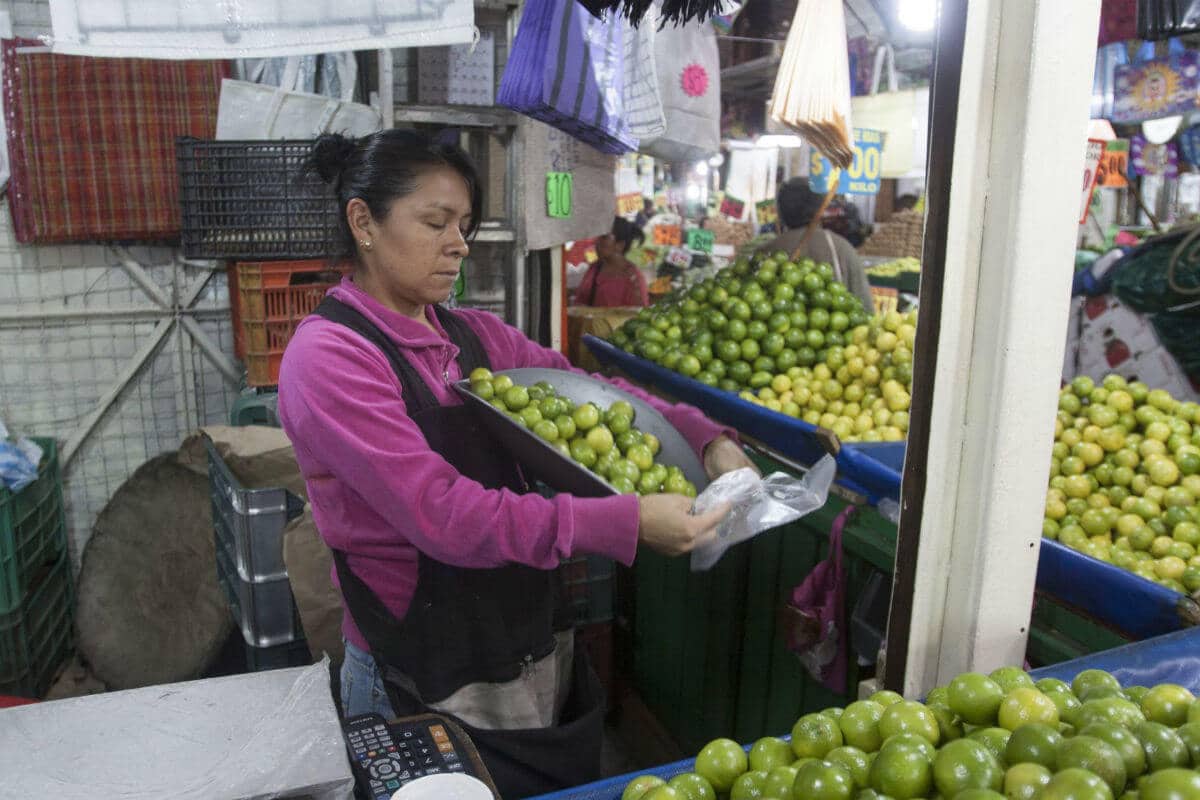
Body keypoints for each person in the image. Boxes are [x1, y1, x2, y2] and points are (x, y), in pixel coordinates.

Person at [276, 130, 754, 797]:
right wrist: (623, 522)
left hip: (525, 644)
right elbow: (443, 514)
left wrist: (706, 438)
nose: (459, 244)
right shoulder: (331, 359)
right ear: (364, 221)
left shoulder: (470, 335)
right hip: (421, 670)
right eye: (435, 222)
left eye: (465, 226)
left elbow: (596, 394)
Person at [760, 178, 874, 310]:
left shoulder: (766, 253)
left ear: (780, 212)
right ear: (820, 209)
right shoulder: (843, 249)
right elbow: (866, 310)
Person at [573, 216, 650, 307]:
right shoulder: (594, 268)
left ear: (620, 245)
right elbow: (580, 303)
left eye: (604, 237)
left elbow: (638, 315)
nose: (597, 242)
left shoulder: (633, 278)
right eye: (598, 237)